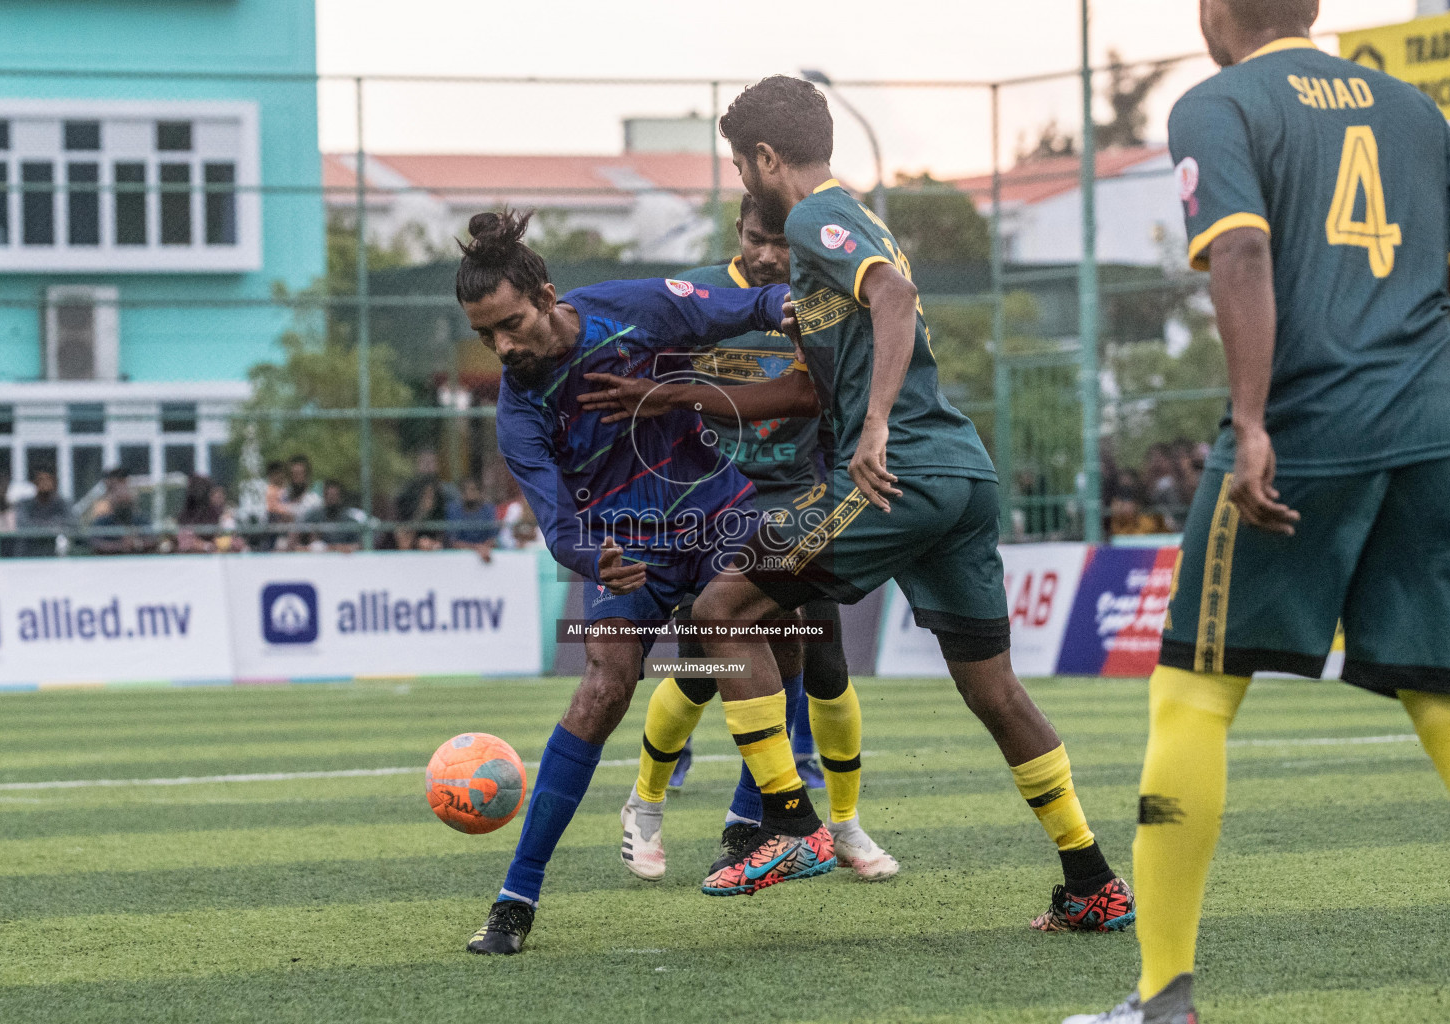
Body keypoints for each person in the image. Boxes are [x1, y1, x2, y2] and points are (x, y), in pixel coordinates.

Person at [584, 75, 1133, 930]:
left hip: (895, 475)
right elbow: (808, 389)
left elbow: (897, 297)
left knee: (722, 607)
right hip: (960, 477)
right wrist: (671, 397)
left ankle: (791, 826)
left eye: (740, 165)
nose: (742, 182)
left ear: (768, 158)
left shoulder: (811, 215)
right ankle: (1090, 878)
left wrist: (874, 426)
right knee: (996, 693)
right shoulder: (842, 230)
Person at [1065, 3, 1450, 1022]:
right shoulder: (1418, 114)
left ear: (1211, 13)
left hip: (1303, 430)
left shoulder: (1220, 103)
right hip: (1432, 428)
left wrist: (1248, 424)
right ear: (1316, 8)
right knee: (1445, 693)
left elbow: (1239, 255)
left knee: (1194, 691)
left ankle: (1163, 999)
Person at [457, 208, 833, 956]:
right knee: (603, 688)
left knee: (779, 627)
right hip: (623, 546)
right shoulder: (517, 408)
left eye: (510, 324)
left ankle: (757, 821)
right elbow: (558, 523)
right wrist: (594, 559)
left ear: (545, 293)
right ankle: (516, 897)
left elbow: (743, 306)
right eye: (485, 336)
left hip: (715, 512)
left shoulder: (629, 308)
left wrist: (787, 306)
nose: (502, 346)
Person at [598, 193, 896, 885]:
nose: (770, 256)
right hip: (707, 506)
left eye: (783, 245)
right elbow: (649, 386)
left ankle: (839, 823)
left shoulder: (818, 304)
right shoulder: (695, 295)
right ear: (738, 232)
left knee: (824, 665)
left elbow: (809, 399)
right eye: (758, 239)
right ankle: (644, 806)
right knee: (705, 667)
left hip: (798, 497)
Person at [89, 469, 153, 555]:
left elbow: (153, 539)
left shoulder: (141, 520)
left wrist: (136, 543)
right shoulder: (102, 522)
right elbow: (95, 543)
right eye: (115, 490)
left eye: (125, 487)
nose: (122, 492)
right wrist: (120, 545)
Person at [394, 450, 449, 550]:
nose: (428, 467)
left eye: (431, 463)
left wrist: (436, 542)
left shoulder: (445, 494)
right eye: (425, 463)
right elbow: (403, 537)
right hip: (412, 543)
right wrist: (423, 510)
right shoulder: (407, 493)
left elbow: (446, 528)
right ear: (418, 465)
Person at [13, 469, 76, 557]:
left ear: (55, 482)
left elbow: (72, 523)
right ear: (34, 482)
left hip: (54, 554)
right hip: (28, 553)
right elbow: (23, 525)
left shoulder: (62, 504)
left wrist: (39, 524)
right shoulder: (25, 504)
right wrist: (53, 527)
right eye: (41, 480)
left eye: (48, 480)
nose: (45, 483)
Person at [296, 479, 363, 552]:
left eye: (335, 495)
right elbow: (298, 538)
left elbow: (358, 545)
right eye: (330, 495)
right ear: (325, 496)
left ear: (340, 497)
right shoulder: (314, 516)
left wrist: (336, 548)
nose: (332, 499)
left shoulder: (348, 520)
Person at [445, 478, 497, 562]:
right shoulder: (454, 510)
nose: (468, 493)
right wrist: (476, 548)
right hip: (459, 558)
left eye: (472, 490)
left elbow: (493, 538)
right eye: (465, 490)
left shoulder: (488, 509)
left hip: (485, 553)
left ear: (480, 492)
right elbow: (452, 541)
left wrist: (484, 547)